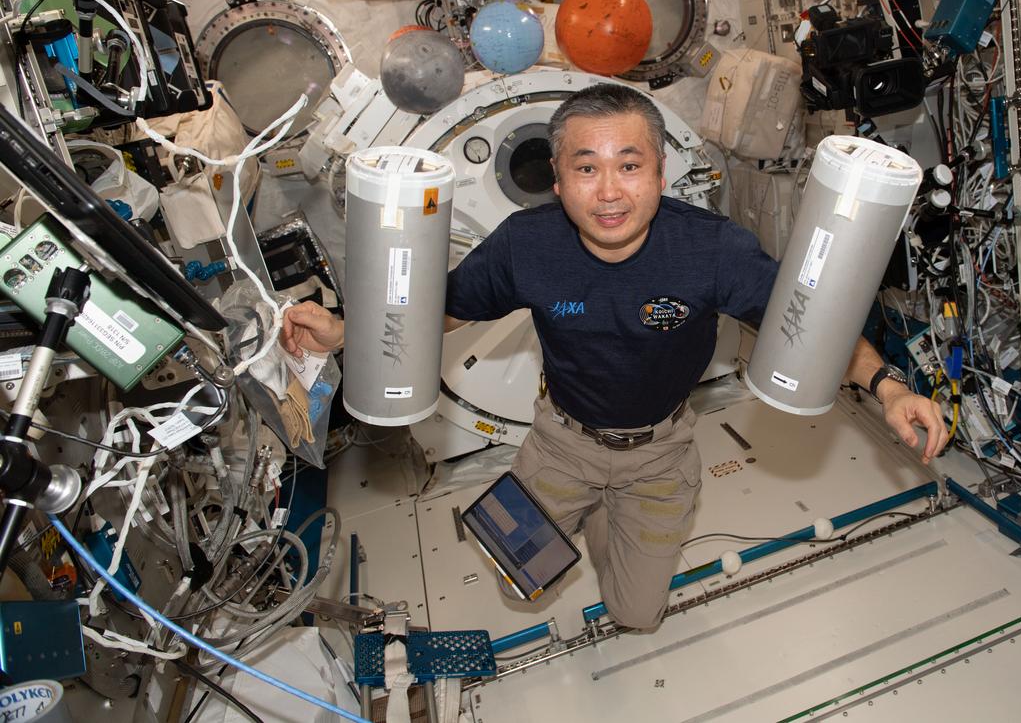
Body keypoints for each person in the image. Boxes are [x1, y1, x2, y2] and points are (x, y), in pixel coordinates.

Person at [283, 83, 947, 631]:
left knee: (639, 615)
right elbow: (440, 306)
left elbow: (814, 325)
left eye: (630, 165)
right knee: (521, 590)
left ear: (660, 173)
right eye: (586, 167)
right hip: (559, 444)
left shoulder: (710, 249)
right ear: (558, 179)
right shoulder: (526, 245)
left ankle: (613, 525)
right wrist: (345, 330)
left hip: (660, 453)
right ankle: (583, 510)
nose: (609, 192)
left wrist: (888, 387)